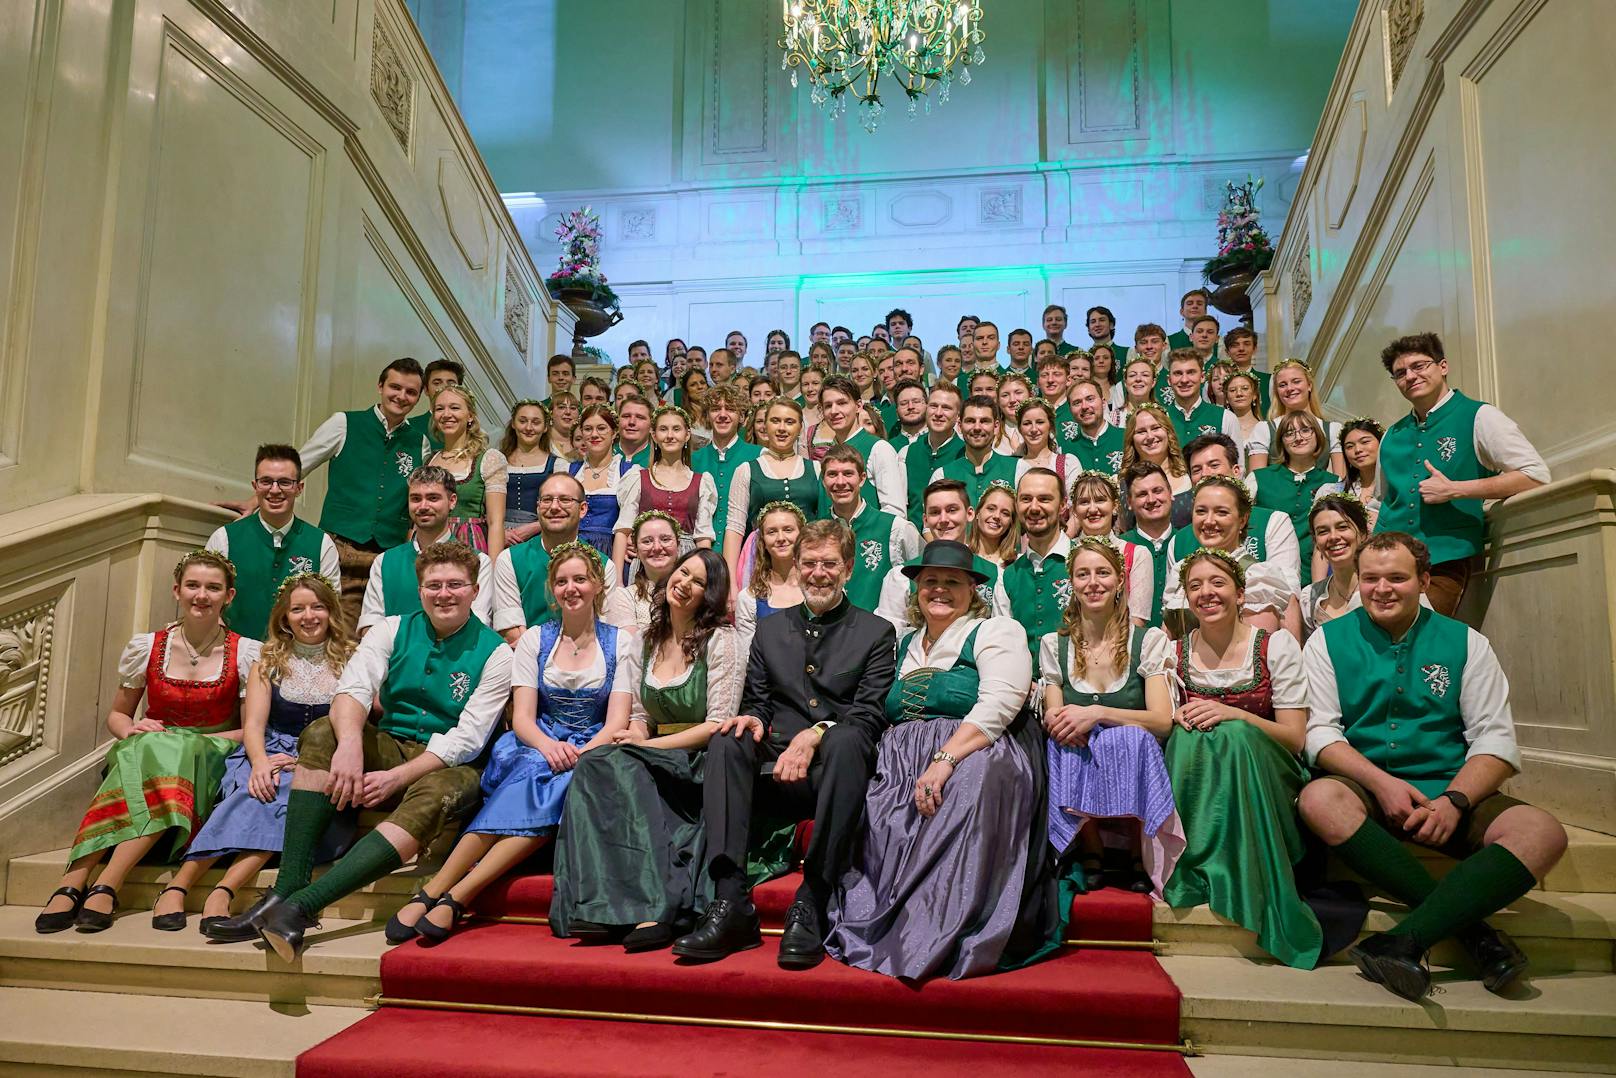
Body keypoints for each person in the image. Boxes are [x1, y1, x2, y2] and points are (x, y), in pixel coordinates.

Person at [203, 542, 513, 959]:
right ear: (420, 590)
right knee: (320, 732)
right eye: (434, 584)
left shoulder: (496, 652)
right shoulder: (391, 628)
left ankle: (301, 907)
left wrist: (396, 778)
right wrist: (350, 743)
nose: (444, 593)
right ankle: (286, 887)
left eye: (455, 585)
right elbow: (353, 689)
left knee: (436, 794)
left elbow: (467, 738)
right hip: (389, 742)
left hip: (452, 763)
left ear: (475, 591)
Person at [1298, 532, 1568, 999]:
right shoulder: (1326, 641)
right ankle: (1475, 933)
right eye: (1371, 579)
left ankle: (1404, 939)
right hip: (1365, 785)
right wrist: (1381, 784)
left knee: (1543, 832)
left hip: (1450, 785)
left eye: (1397, 578)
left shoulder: (1468, 643)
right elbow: (1320, 733)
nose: (1382, 589)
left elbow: (1495, 738)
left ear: (1424, 580)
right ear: (1357, 582)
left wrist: (1455, 801)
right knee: (1319, 798)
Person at [673, 520, 896, 970]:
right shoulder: (771, 632)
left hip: (836, 772)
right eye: (809, 563)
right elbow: (758, 703)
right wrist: (752, 719)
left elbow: (871, 714)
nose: (818, 573)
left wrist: (815, 735)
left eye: (829, 564)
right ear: (796, 566)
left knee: (851, 738)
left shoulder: (876, 632)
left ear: (848, 569)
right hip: (773, 768)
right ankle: (731, 900)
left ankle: (813, 898)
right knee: (728, 737)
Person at [825, 539, 1051, 980]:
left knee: (969, 785)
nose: (940, 590)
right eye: (930, 582)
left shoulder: (994, 631)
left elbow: (1000, 703)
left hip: (978, 746)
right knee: (873, 798)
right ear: (915, 590)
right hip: (901, 755)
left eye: (952, 582)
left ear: (973, 590)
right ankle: (888, 920)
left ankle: (940, 931)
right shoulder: (900, 644)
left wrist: (945, 758)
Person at [384, 545, 622, 945]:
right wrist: (549, 747)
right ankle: (441, 890)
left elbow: (616, 720)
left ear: (597, 585)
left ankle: (453, 893)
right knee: (535, 773)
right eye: (562, 581)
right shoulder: (534, 639)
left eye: (580, 579)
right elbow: (525, 718)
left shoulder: (621, 643)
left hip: (593, 746)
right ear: (552, 588)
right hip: (538, 740)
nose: (571, 588)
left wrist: (580, 752)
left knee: (562, 783)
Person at [36, 552, 259, 935]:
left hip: (211, 751)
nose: (201, 595)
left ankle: (93, 879)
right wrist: (132, 731)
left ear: (229, 596)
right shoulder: (148, 647)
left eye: (212, 588)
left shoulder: (247, 653)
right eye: (192, 585)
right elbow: (118, 715)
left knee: (173, 749)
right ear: (177, 590)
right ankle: (86, 880)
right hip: (151, 749)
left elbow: (251, 728)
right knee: (151, 748)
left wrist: (183, 739)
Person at [549, 550, 744, 951]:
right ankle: (601, 904)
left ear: (710, 595)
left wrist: (647, 746)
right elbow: (639, 715)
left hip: (698, 760)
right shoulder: (646, 640)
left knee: (624, 765)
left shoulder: (722, 640)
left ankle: (659, 905)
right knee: (595, 761)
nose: (685, 583)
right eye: (683, 572)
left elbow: (715, 724)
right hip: (655, 751)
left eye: (699, 582)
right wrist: (636, 737)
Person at [1161, 549, 1321, 969]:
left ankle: (1242, 873)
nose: (1206, 593)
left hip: (1269, 774)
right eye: (1195, 586)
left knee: (1231, 736)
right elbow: (1164, 722)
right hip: (1203, 776)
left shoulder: (1274, 645)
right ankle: (1201, 862)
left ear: (1240, 592)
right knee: (1187, 737)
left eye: (1217, 583)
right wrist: (1177, 715)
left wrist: (1234, 715)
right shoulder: (1172, 653)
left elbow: (1295, 737)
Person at [174, 575, 356, 934]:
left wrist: (305, 761)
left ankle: (222, 891)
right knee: (259, 788)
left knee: (285, 796)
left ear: (331, 612)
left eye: (317, 607)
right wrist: (259, 763)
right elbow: (253, 726)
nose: (309, 616)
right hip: (268, 750)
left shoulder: (353, 659)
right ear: (284, 617)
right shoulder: (268, 661)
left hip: (319, 761)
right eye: (298, 608)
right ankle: (179, 886)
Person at [1375, 333, 1549, 617]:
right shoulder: (1390, 436)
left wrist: (1456, 489)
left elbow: (1535, 475)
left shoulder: (1480, 416)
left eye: (1419, 366)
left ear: (1442, 366)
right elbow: (1386, 502)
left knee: (1417, 633)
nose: (1410, 376)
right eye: (1400, 373)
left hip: (1446, 559)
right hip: (1387, 563)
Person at [1042, 540, 1179, 896]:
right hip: (1080, 745)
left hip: (1133, 745)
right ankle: (1091, 851)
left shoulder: (1146, 640)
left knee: (1130, 738)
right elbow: (1054, 715)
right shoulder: (1053, 644)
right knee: (1067, 741)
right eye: (1082, 574)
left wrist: (1099, 713)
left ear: (1120, 580)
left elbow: (1163, 720)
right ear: (1071, 582)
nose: (1093, 582)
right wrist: (1071, 723)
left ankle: (1137, 851)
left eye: (1103, 573)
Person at [293, 358, 430, 625]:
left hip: (388, 555)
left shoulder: (420, 443)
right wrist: (256, 502)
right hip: (341, 547)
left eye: (411, 392)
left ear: (418, 397)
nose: (401, 396)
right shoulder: (344, 423)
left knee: (382, 633)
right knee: (337, 631)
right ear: (380, 386)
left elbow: (419, 498)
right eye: (395, 387)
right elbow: (297, 467)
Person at [207, 445, 340, 641]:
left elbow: (331, 608)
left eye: (285, 482)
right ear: (255, 486)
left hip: (297, 658)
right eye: (266, 481)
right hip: (234, 656)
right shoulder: (224, 539)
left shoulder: (322, 544)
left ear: (299, 488)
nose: (275, 490)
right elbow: (208, 602)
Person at [358, 467, 494, 633]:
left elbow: (477, 627)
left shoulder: (479, 562)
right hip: (395, 657)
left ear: (452, 501)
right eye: (416, 498)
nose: (423, 506)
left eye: (433, 498)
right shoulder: (385, 562)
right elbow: (370, 627)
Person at [1163, 476, 1301, 637]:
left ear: (1242, 520)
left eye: (1221, 512)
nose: (1208, 521)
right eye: (1201, 511)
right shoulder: (1181, 570)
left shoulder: (1257, 577)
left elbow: (1256, 652)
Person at [491, 472, 615, 639]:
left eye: (565, 500)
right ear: (537, 507)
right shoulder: (510, 560)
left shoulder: (602, 565)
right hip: (527, 660)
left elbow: (605, 629)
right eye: (547, 500)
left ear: (583, 509)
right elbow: (511, 631)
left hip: (585, 657)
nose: (554, 507)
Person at [876, 479, 1012, 630]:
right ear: (925, 520)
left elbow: (1001, 632)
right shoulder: (900, 576)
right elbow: (888, 635)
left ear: (970, 514)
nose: (944, 520)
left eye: (952, 510)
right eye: (935, 512)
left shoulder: (997, 576)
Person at [723, 398, 822, 586]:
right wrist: (730, 585)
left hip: (808, 565)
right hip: (760, 564)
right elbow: (734, 527)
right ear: (765, 426)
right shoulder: (746, 470)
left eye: (789, 422)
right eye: (775, 421)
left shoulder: (816, 469)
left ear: (800, 427)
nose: (782, 428)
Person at [612, 405, 716, 580]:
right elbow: (623, 530)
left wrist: (705, 578)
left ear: (687, 434)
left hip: (685, 560)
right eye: (663, 429)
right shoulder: (638, 477)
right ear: (654, 435)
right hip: (646, 561)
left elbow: (703, 536)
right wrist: (617, 583)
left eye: (676, 429)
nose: (670, 436)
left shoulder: (701, 481)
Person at [821, 444, 922, 612]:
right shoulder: (817, 530)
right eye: (832, 474)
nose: (840, 482)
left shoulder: (895, 528)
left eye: (848, 473)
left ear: (862, 479)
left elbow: (922, 576)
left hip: (881, 632)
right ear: (823, 481)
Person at [1250, 412, 1343, 586]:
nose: (1298, 438)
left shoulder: (1333, 482)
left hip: (1312, 577)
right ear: (1281, 441)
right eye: (1289, 433)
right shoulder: (1258, 478)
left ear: (1317, 435)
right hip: (1265, 577)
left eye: (1306, 430)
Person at [426, 384, 508, 558]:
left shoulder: (488, 459)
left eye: (454, 408)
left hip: (469, 544)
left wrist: (494, 570)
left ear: (470, 415)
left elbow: (495, 522)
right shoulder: (430, 459)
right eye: (440, 409)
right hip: (430, 543)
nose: (446, 414)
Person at [1066, 471, 1152, 626]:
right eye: (1084, 502)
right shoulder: (1064, 552)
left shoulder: (1137, 554)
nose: (1092, 509)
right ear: (1075, 511)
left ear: (1115, 506)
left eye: (1100, 500)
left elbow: (1137, 620)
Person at [818, 375, 906, 516]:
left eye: (842, 403)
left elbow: (894, 512)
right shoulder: (829, 453)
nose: (834, 411)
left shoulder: (879, 448)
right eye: (828, 405)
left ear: (858, 406)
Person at [691, 384, 761, 558]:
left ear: (742, 416)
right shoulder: (692, 459)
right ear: (707, 416)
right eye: (715, 409)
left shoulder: (759, 456)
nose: (722, 415)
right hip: (700, 554)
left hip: (747, 554)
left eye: (730, 409)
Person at [569, 404, 641, 558]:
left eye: (601, 428)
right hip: (571, 550)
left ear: (614, 432)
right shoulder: (570, 471)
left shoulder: (628, 472)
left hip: (611, 551)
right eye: (588, 429)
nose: (594, 434)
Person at [734, 502, 806, 639]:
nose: (781, 538)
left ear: (802, 535)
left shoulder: (819, 589)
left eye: (788, 530)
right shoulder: (749, 598)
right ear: (763, 541)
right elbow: (747, 654)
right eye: (772, 532)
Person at [898, 382, 964, 531]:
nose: (939, 413)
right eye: (934, 406)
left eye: (946, 408)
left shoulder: (965, 452)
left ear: (958, 416)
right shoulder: (907, 452)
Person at [603, 510, 682, 634]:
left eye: (665, 539)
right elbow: (628, 647)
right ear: (636, 550)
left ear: (678, 544)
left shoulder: (693, 591)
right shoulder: (624, 597)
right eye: (647, 541)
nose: (657, 547)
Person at [931, 396, 1017, 506]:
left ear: (996, 427)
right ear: (959, 426)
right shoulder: (942, 475)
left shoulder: (1017, 469)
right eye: (970, 421)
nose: (977, 427)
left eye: (984, 421)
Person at [1120, 462, 1176, 628]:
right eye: (1142, 494)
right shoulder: (1119, 546)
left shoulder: (1187, 541)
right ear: (1129, 502)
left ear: (1170, 493)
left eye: (1157, 491)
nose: (1151, 499)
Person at [1268, 360, 1347, 477]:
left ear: (1309, 385)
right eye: (1282, 385)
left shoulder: (1332, 429)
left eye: (1296, 381)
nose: (1289, 388)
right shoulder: (1265, 429)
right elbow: (1258, 479)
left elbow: (1340, 481)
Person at [500, 400, 558, 548]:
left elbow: (559, 506)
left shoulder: (556, 464)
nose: (528, 427)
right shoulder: (497, 460)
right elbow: (484, 505)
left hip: (539, 535)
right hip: (499, 535)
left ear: (545, 427)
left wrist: (534, 527)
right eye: (523, 421)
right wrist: (500, 532)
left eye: (536, 422)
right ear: (513, 424)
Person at [1162, 349, 1242, 450]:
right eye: (1178, 373)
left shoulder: (1226, 418)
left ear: (1202, 377)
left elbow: (1238, 464)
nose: (1184, 380)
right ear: (1169, 380)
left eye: (1191, 372)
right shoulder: (1160, 418)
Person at [1121, 403, 1191, 498]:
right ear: (1131, 439)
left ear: (1168, 432)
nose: (1150, 436)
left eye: (1156, 428)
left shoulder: (1189, 476)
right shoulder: (1122, 483)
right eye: (1141, 431)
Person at [1014, 399, 1080, 491]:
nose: (1034, 429)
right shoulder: (1014, 467)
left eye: (1040, 422)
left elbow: (1075, 502)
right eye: (1027, 423)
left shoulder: (1067, 463)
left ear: (1051, 426)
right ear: (1020, 429)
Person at [405, 359, 464, 450]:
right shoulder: (409, 426)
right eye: (437, 383)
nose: (444, 387)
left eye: (451, 383)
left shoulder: (470, 429)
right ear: (426, 390)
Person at [1340, 418, 1385, 530]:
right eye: (1349, 446)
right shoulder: (1334, 491)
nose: (1358, 450)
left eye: (1365, 442)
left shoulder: (1397, 488)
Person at [1224, 371, 1271, 474]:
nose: (1239, 394)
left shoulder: (1266, 428)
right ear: (1227, 398)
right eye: (1232, 390)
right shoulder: (1222, 428)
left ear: (1254, 395)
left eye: (1245, 388)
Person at [1223, 327, 1271, 415]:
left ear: (1255, 349)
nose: (1241, 348)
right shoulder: (1220, 381)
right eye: (1235, 345)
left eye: (1246, 344)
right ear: (1227, 352)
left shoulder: (1269, 380)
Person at [1111, 357, 1159, 427]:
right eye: (1132, 375)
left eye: (1145, 375)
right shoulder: (1111, 419)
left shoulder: (1162, 415)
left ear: (1153, 382)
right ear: (1125, 382)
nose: (1138, 379)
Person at [887, 379, 928, 447]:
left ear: (927, 405)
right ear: (896, 410)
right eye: (904, 403)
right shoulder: (889, 447)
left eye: (916, 401)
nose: (910, 407)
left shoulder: (940, 439)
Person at [616, 397, 655, 468]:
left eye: (640, 417)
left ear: (651, 426)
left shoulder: (658, 460)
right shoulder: (604, 454)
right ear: (617, 421)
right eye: (626, 416)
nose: (632, 422)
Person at [547, 392, 581, 466]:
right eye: (561, 407)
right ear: (551, 413)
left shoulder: (585, 441)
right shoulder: (542, 441)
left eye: (572, 408)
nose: (568, 412)